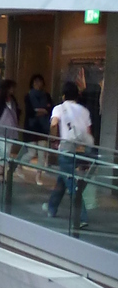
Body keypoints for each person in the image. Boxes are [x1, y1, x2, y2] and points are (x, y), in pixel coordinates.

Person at [45, 80, 93, 225]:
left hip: (66, 148)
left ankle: (81, 217)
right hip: (83, 149)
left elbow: (54, 124)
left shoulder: (59, 109)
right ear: (77, 95)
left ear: (64, 95)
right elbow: (88, 132)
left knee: (71, 184)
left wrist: (53, 140)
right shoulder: (84, 111)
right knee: (63, 179)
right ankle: (51, 207)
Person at [21, 72, 52, 185]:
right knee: (31, 152)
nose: (38, 84)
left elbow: (50, 109)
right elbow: (29, 112)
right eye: (36, 82)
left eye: (40, 82)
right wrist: (42, 111)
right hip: (32, 127)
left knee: (42, 154)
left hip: (43, 127)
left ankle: (38, 176)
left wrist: (39, 111)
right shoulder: (28, 96)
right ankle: (18, 164)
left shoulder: (46, 95)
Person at [0, 79, 20, 183]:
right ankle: (0, 173)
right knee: (4, 150)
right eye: (11, 88)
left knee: (7, 151)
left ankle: (1, 173)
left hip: (10, 129)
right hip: (0, 129)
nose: (12, 90)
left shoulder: (13, 100)